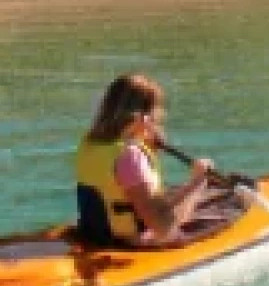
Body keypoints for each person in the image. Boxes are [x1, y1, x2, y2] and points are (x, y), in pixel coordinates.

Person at [73, 74, 220, 248]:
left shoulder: (91, 142)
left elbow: (121, 184)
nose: (158, 118)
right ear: (141, 117)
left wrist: (144, 143)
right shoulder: (130, 156)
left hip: (96, 235)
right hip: (133, 243)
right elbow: (165, 230)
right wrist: (197, 182)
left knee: (176, 192)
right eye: (155, 113)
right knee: (219, 204)